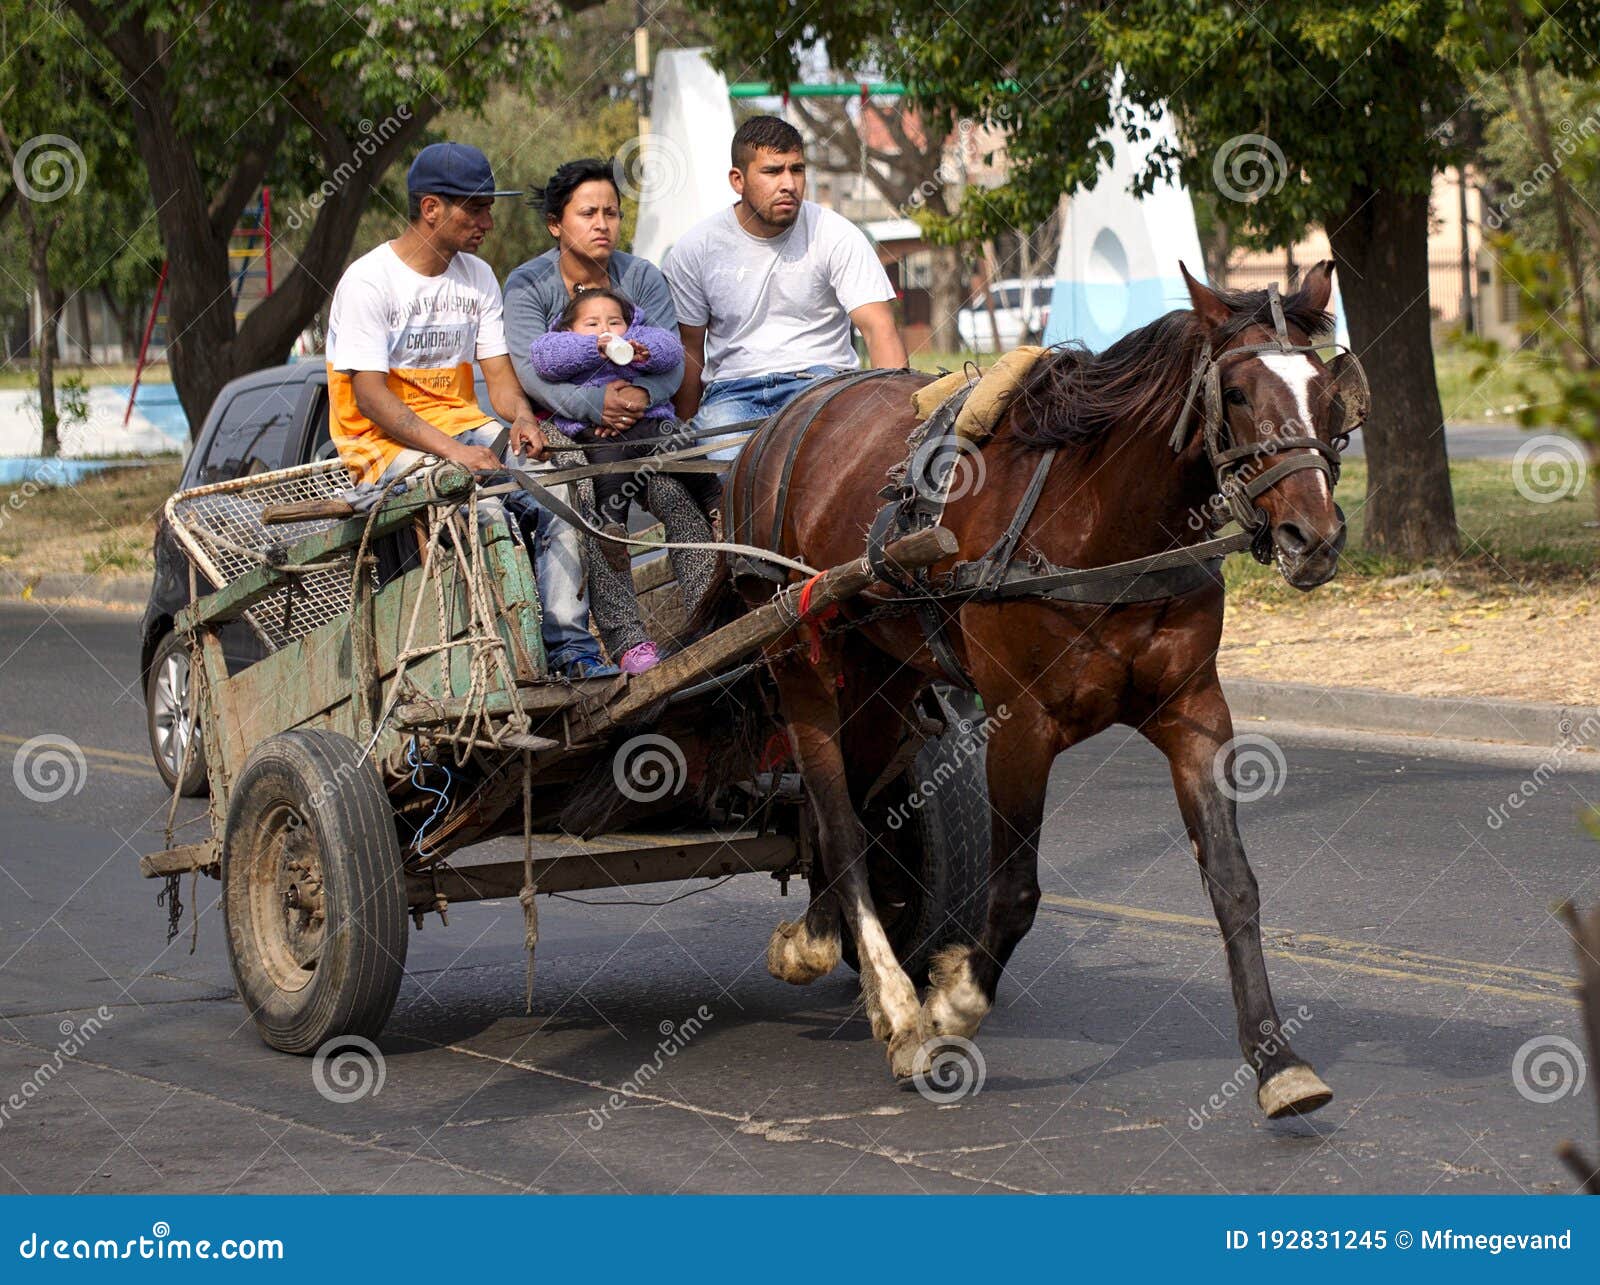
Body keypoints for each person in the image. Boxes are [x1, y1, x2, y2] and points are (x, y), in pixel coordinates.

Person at [325, 141, 614, 678]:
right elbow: (370, 397)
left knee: (557, 483)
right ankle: (503, 660)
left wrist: (524, 420)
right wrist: (456, 453)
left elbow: (500, 381)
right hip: (385, 449)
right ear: (431, 208)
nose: (488, 219)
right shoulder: (368, 282)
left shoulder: (477, 276)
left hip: (465, 433)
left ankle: (570, 649)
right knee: (486, 511)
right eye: (475, 207)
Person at [504, 158, 715, 674]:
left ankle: (711, 616)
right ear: (557, 224)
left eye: (612, 213)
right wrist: (596, 406)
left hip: (642, 420)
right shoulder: (527, 285)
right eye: (587, 213)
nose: (603, 224)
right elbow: (534, 370)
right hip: (565, 427)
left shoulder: (640, 277)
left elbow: (671, 356)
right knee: (591, 499)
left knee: (677, 492)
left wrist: (637, 400)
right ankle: (625, 641)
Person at [665, 114, 909, 510]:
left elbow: (879, 329)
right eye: (772, 171)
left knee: (828, 490)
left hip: (820, 385)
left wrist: (899, 422)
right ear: (737, 180)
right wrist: (683, 438)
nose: (788, 184)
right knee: (735, 496)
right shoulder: (696, 248)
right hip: (733, 395)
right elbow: (690, 351)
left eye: (797, 170)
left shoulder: (836, 234)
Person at [527, 287, 685, 572]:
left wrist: (646, 352)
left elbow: (671, 349)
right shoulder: (562, 343)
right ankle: (612, 529)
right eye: (592, 324)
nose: (605, 328)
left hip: (648, 424)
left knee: (684, 448)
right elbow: (545, 359)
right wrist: (594, 347)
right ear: (569, 329)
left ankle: (715, 504)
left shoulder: (639, 337)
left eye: (614, 322)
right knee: (608, 471)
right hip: (599, 433)